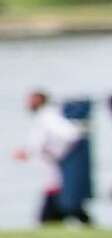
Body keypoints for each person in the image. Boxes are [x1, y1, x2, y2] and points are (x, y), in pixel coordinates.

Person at [20, 89, 90, 226]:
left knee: (60, 206)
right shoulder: (45, 117)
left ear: (40, 100)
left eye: (31, 100)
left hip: (56, 173)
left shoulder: (48, 117)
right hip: (51, 175)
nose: (28, 104)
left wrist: (56, 154)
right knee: (65, 207)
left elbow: (70, 135)